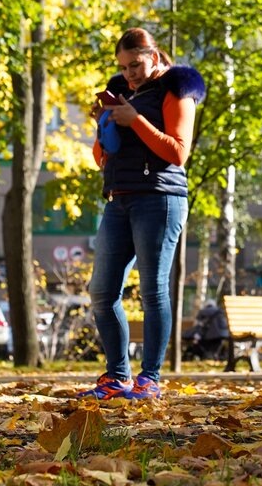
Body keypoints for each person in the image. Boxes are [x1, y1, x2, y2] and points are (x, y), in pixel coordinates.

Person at [76, 27, 206, 400]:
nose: (130, 73)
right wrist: (102, 124)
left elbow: (178, 153)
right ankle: (117, 377)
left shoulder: (177, 87)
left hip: (159, 200)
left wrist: (135, 120)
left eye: (136, 64)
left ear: (154, 55)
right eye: (123, 66)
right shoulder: (123, 94)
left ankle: (150, 380)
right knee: (102, 291)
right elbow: (101, 158)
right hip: (119, 199)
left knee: (152, 290)